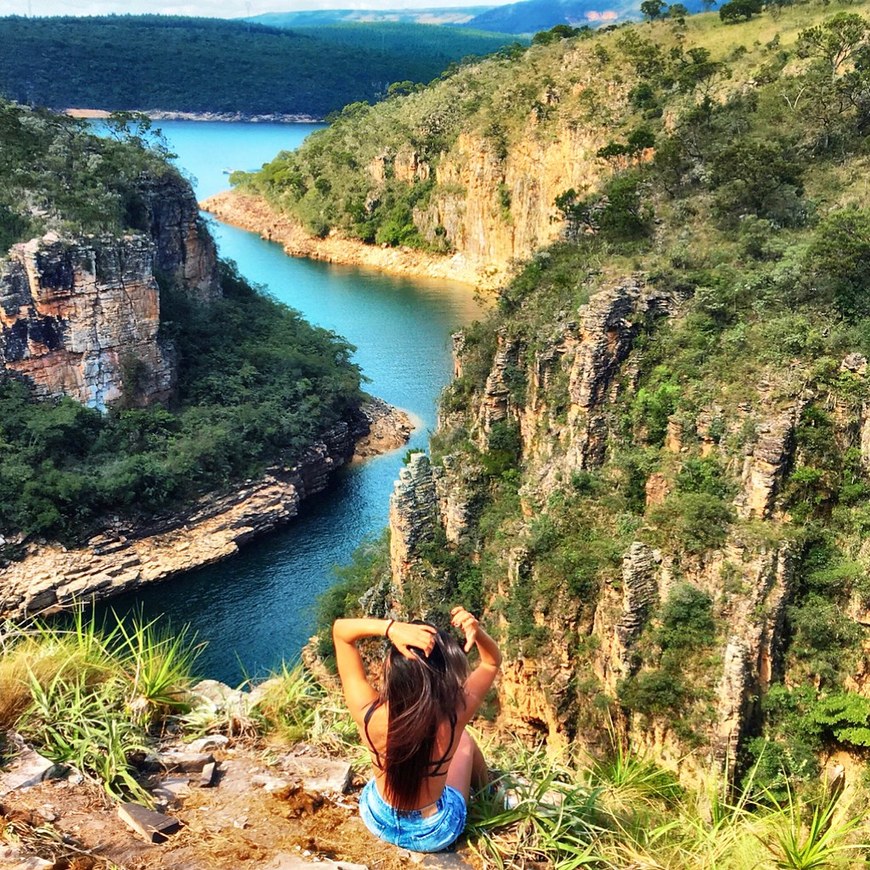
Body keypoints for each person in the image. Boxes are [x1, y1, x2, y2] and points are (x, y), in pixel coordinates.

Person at [332, 606, 502, 853]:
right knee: (464, 740)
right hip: (433, 833)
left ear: (394, 671)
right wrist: (478, 632)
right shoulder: (455, 715)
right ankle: (489, 789)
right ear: (442, 678)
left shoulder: (367, 712)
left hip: (378, 819)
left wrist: (391, 628)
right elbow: (491, 662)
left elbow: (341, 631)